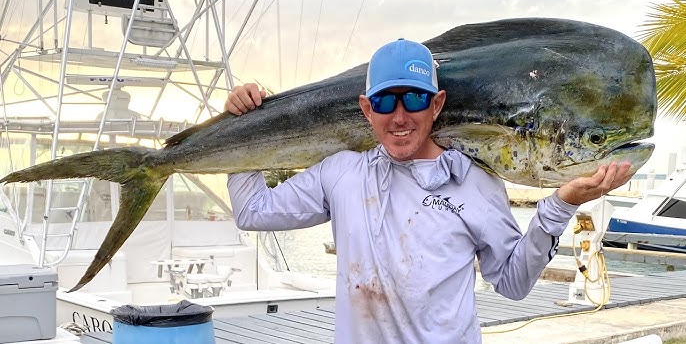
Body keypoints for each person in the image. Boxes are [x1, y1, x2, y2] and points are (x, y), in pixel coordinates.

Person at [224, 38, 633, 344]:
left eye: (414, 99)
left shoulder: (475, 181)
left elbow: (512, 282)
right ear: (367, 110)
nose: (400, 117)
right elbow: (254, 211)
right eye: (385, 103)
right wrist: (243, 126)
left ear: (437, 105)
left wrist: (560, 205)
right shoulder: (341, 172)